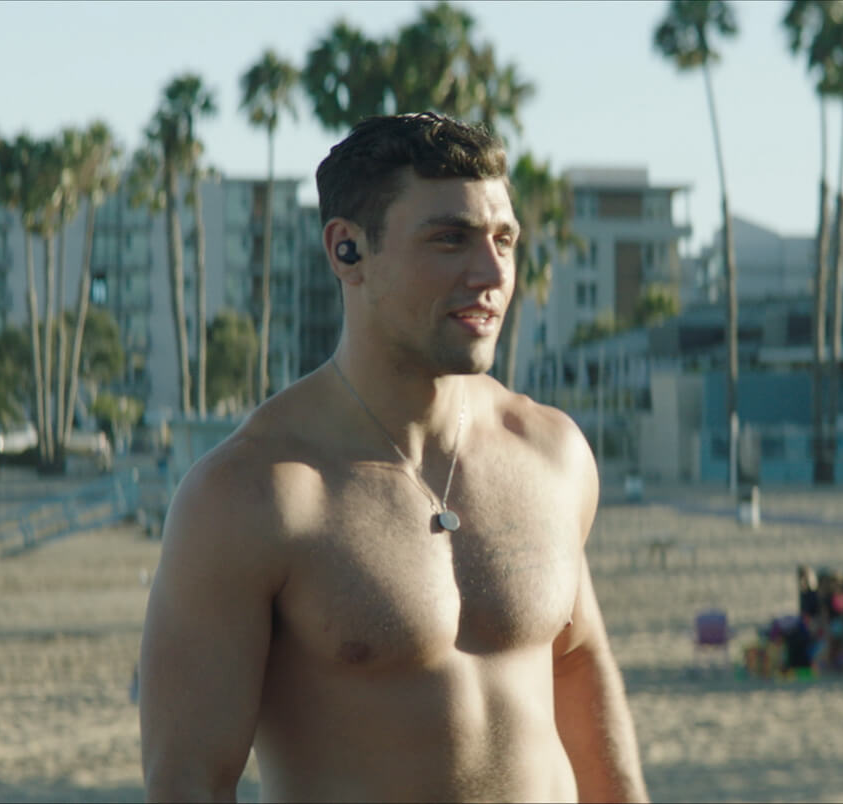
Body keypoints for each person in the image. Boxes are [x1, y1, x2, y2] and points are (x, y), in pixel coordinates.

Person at [138, 113, 647, 803]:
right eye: (450, 239)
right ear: (347, 250)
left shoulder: (552, 453)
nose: (492, 272)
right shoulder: (253, 494)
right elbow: (188, 781)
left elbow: (578, 665)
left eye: (504, 240)